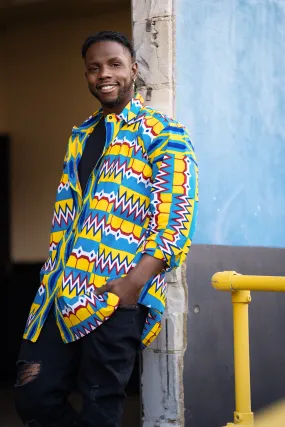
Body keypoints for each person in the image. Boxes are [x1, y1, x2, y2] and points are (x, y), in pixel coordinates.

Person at [14, 30, 198, 427]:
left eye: (114, 64)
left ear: (133, 69)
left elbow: (177, 215)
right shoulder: (80, 136)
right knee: (34, 397)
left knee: (101, 407)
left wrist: (135, 282)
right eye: (94, 68)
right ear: (86, 76)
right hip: (58, 295)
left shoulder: (163, 132)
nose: (104, 74)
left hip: (115, 295)